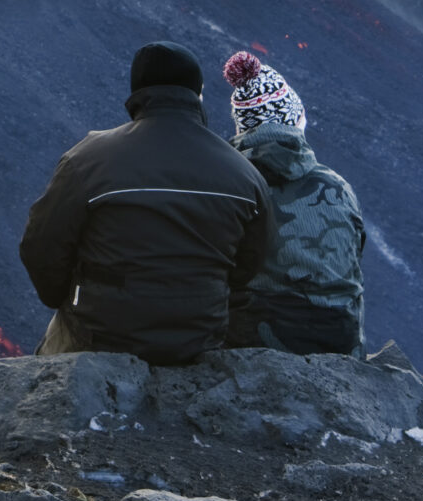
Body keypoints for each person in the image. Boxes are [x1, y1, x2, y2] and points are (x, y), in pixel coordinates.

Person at [19, 41, 277, 363]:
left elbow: (42, 245)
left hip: (101, 338)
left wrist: (62, 297)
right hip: (197, 340)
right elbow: (251, 263)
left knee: (53, 354)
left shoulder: (88, 160)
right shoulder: (244, 175)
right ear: (198, 93)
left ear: (137, 92)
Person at [220, 51, 366, 355]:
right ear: (295, 121)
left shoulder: (227, 185)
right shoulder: (338, 187)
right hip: (341, 340)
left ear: (242, 129)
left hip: (257, 341)